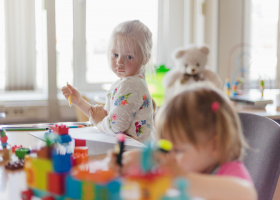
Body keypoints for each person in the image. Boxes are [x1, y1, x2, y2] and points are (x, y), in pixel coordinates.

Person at [109, 84, 257, 200]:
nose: (169, 157)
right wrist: (132, 161)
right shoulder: (185, 165)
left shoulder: (230, 172)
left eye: (178, 150)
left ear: (215, 145)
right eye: (165, 148)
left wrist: (181, 178)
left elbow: (247, 194)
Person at [62, 20, 155, 143]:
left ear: (145, 58)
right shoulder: (123, 83)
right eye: (115, 54)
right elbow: (107, 116)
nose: (119, 62)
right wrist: (79, 101)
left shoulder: (132, 85)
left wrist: (99, 122)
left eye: (129, 57)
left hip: (135, 155)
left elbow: (114, 126)